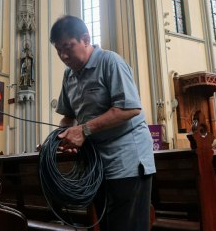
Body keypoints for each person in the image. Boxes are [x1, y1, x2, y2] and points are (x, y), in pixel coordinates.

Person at [50, 15, 155, 231]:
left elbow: (130, 108)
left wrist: (85, 129)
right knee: (105, 225)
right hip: (97, 165)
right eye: (58, 49)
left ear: (86, 39)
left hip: (127, 161)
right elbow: (68, 117)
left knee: (127, 226)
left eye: (68, 47)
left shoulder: (110, 61)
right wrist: (55, 141)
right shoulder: (69, 75)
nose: (63, 55)